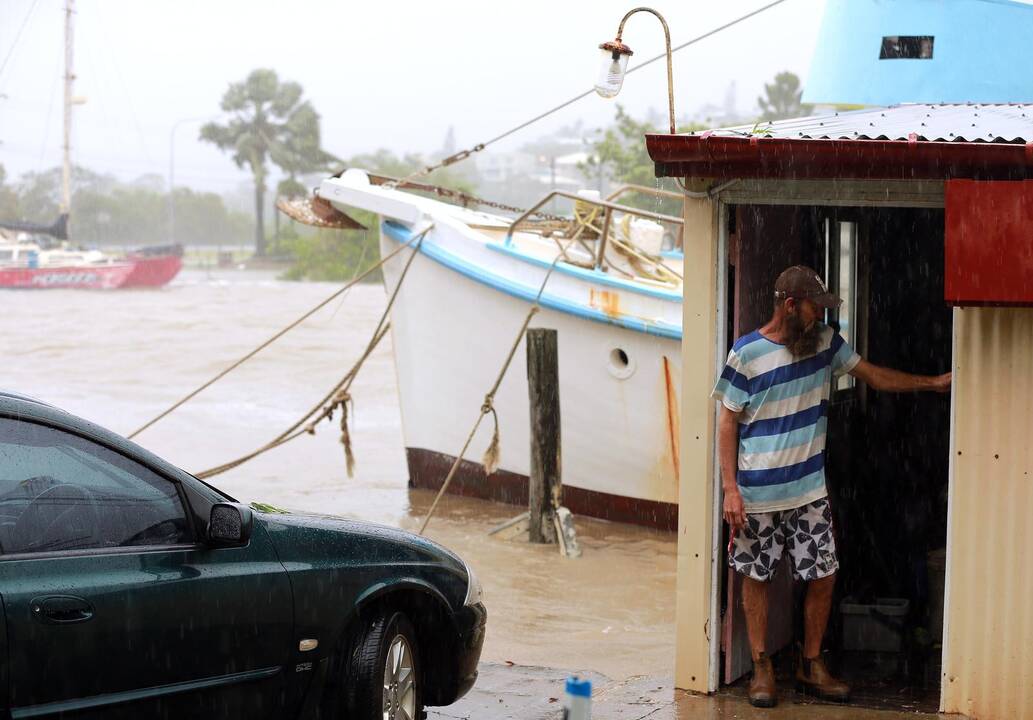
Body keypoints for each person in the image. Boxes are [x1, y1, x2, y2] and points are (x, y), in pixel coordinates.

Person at [712, 265, 951, 708]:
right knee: (756, 576)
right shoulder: (745, 353)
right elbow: (727, 421)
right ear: (789, 307)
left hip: (810, 494)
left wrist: (932, 384)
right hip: (757, 493)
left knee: (824, 575)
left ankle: (811, 663)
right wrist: (730, 488)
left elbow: (873, 375)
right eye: (814, 309)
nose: (821, 318)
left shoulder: (825, 344)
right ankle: (762, 666)